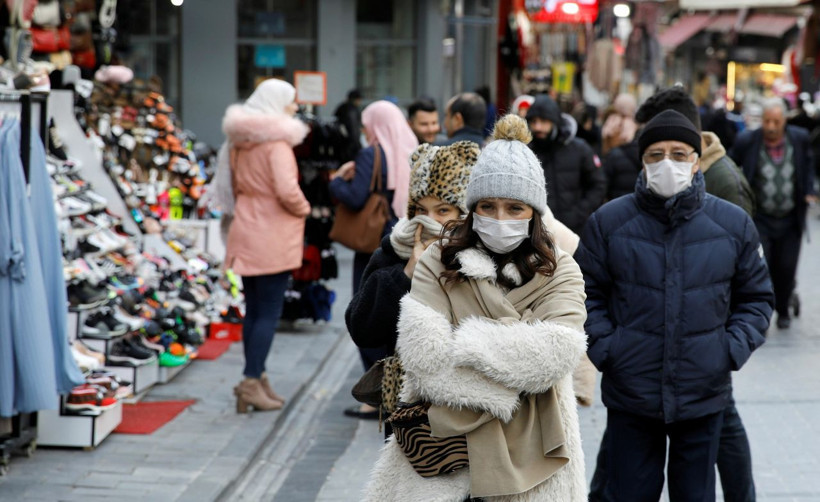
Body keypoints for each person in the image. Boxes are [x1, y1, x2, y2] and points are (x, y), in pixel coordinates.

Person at [364, 115, 588, 501]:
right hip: (443, 455)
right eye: (488, 205)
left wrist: (463, 343)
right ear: (473, 208)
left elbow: (557, 353)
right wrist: (511, 382)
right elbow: (425, 360)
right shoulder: (438, 259)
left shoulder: (561, 268)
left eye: (514, 208)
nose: (500, 218)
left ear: (534, 212)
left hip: (537, 451)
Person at [575, 110, 774, 502]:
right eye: (656, 154)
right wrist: (608, 350)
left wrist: (728, 350)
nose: (668, 163)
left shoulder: (731, 224)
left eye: (680, 153)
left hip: (702, 393)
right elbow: (584, 296)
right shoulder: (609, 223)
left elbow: (757, 298)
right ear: (643, 161)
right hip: (632, 393)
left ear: (697, 161)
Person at [345, 140, 479, 429]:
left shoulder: (482, 259)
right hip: (408, 410)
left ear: (463, 214)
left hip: (469, 410)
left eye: (442, 211)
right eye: (420, 210)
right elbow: (361, 328)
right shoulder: (394, 252)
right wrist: (405, 275)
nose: (429, 222)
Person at [221, 79, 310, 413]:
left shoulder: (239, 143)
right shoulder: (277, 146)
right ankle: (250, 380)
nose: (295, 106)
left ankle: (257, 378)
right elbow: (288, 192)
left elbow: (232, 184)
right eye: (290, 100)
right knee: (268, 313)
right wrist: (306, 209)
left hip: (246, 228)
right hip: (272, 234)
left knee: (254, 310)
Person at [328, 100, 418, 419]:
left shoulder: (371, 154)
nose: (365, 130)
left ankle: (375, 395)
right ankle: (394, 388)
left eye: (368, 124)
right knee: (395, 315)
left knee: (367, 310)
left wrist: (338, 179)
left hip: (374, 244)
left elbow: (355, 197)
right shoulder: (411, 149)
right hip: (405, 237)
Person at [730, 97, 818, 329]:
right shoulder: (747, 140)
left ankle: (783, 309)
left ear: (784, 121)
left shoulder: (798, 139)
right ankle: (764, 312)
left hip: (790, 218)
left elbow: (808, 167)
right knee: (762, 266)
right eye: (767, 121)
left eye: (775, 122)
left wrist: (809, 191)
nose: (770, 127)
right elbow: (730, 167)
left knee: (787, 267)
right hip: (761, 218)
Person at [526, 94, 606, 234]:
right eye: (533, 121)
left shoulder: (580, 149)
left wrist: (578, 214)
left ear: (555, 121)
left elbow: (598, 185)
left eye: (544, 121)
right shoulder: (526, 152)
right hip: (538, 233)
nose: (538, 127)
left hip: (574, 231)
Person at [334, 88, 363, 154]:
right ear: (356, 99)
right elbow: (353, 128)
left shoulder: (342, 107)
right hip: (350, 144)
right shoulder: (352, 110)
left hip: (341, 143)